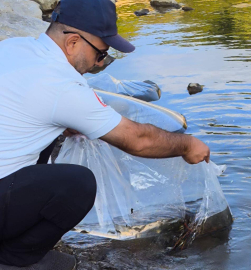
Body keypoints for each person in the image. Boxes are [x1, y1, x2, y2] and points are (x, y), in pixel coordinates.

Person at [0, 0, 210, 269]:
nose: (100, 63)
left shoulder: (13, 47)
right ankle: (13, 259)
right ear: (73, 42)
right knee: (77, 184)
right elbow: (138, 139)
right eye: (101, 53)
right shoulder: (62, 85)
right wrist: (187, 145)